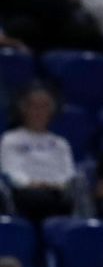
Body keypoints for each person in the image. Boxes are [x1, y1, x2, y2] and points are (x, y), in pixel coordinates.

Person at [0, 87, 75, 223]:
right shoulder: (10, 139)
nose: (39, 112)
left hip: (57, 190)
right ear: (24, 109)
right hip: (25, 192)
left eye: (44, 107)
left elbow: (68, 172)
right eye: (35, 107)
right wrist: (31, 184)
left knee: (71, 196)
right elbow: (10, 170)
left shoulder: (60, 143)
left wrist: (55, 184)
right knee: (37, 199)